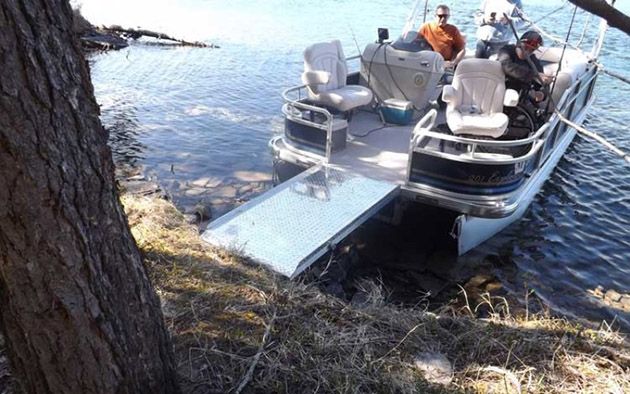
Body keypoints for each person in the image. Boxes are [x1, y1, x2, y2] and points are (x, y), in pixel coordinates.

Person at [497, 30, 553, 104]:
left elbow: (542, 83)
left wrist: (542, 93)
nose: (527, 52)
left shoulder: (533, 61)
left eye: (531, 50)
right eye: (525, 47)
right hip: (500, 93)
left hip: (521, 100)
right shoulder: (506, 50)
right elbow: (506, 66)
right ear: (518, 44)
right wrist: (533, 75)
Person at [418, 4, 466, 69]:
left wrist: (453, 63)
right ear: (435, 16)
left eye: (445, 16)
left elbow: (462, 50)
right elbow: (416, 44)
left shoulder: (453, 30)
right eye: (440, 16)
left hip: (445, 64)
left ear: (449, 17)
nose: (443, 19)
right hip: (427, 63)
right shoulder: (426, 27)